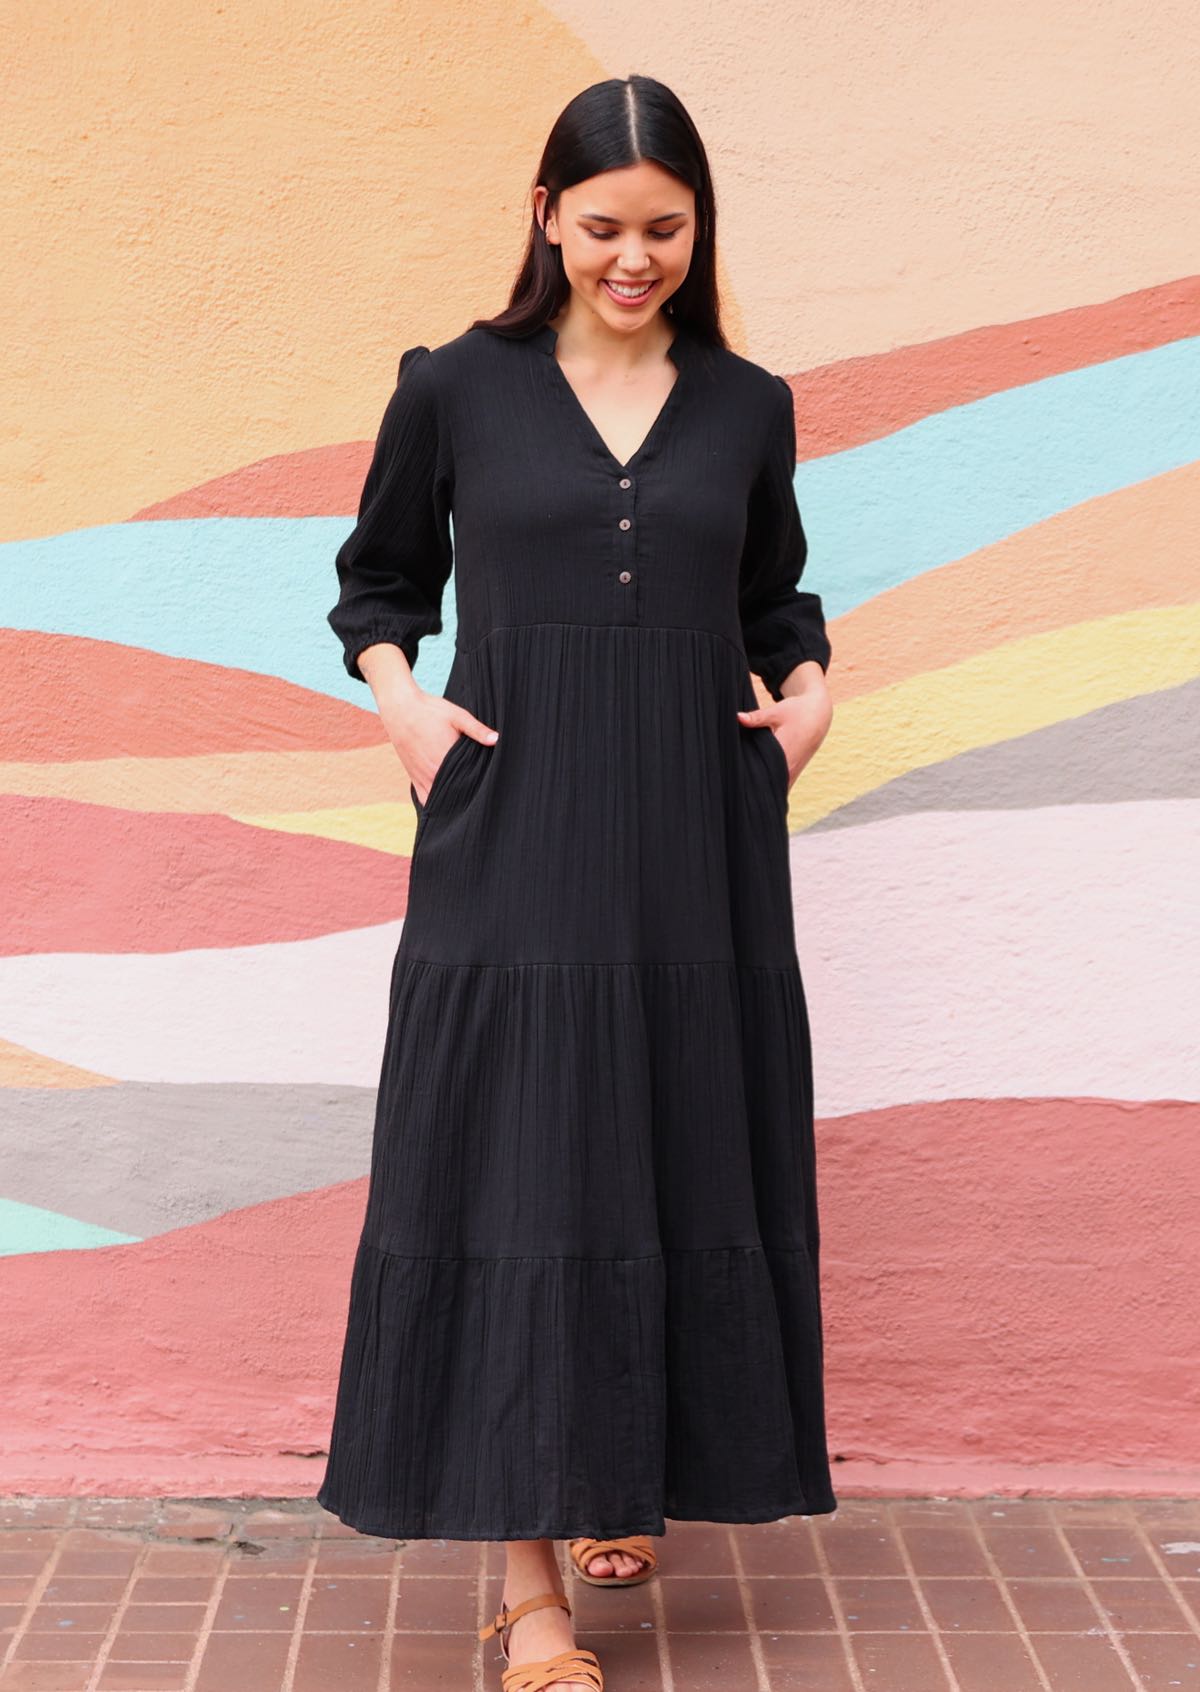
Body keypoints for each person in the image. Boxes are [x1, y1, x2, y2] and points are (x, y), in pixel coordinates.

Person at [317, 72, 837, 1692]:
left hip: (695, 835)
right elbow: (378, 581)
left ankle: (622, 1482)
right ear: (546, 215)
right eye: (604, 225)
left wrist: (807, 696)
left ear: (699, 227)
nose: (634, 257)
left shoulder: (746, 403)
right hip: (517, 820)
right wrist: (406, 707)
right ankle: (527, 1585)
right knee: (523, 1161)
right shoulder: (455, 386)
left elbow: (774, 596)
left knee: (668, 1138)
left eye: (665, 228)